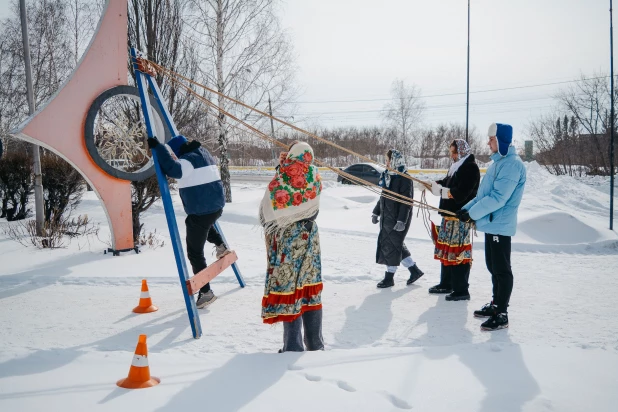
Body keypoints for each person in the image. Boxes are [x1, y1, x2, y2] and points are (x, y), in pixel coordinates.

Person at [457, 123, 527, 331]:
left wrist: (472, 214)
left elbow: (498, 198)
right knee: (492, 266)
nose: (488, 142)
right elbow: (483, 196)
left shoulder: (512, 165)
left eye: (492, 139)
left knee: (501, 269)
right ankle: (496, 304)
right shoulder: (499, 163)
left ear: (502, 141)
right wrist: (466, 209)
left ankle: (502, 313)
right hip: (491, 223)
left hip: (500, 224)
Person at [147, 134, 230, 309]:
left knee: (194, 253)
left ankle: (206, 292)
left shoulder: (187, 161)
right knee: (197, 223)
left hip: (202, 210)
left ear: (176, 152)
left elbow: (173, 169)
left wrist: (158, 148)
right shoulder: (203, 153)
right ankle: (220, 245)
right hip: (215, 207)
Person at [260, 141, 324, 352]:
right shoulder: (314, 174)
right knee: (309, 288)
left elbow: (269, 206)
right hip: (310, 237)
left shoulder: (284, 175)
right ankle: (315, 344)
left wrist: (282, 168)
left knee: (291, 291)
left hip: (289, 238)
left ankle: (293, 346)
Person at [430, 139, 480, 301]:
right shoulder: (456, 167)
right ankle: (446, 283)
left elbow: (463, 192)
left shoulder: (470, 167)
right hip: (448, 216)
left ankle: (461, 289)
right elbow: (447, 184)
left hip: (460, 218)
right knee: (446, 250)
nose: (451, 155)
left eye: (453, 152)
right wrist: (432, 185)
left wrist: (444, 192)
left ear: (461, 151)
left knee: (458, 252)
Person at [372, 149, 424, 288]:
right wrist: (376, 212)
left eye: (388, 160)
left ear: (395, 161)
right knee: (396, 244)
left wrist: (402, 220)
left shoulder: (404, 178)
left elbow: (406, 203)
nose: (386, 163)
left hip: (398, 219)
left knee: (392, 246)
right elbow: (383, 197)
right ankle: (414, 270)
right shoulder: (389, 176)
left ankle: (389, 278)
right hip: (387, 218)